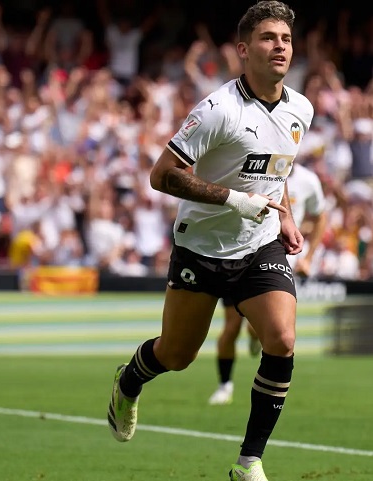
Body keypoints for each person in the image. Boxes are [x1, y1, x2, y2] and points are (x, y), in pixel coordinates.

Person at [106, 2, 313, 480]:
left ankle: (249, 462)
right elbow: (161, 175)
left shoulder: (301, 108)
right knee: (176, 355)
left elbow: (276, 168)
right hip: (201, 248)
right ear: (243, 49)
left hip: (260, 244)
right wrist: (235, 199)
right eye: (267, 37)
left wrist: (285, 216)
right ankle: (129, 380)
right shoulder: (218, 109)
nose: (279, 46)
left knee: (281, 339)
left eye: (285, 38)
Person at [209, 161, 326, 405]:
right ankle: (224, 385)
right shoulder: (257, 165)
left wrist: (309, 258)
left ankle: (254, 338)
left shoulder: (308, 180)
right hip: (239, 253)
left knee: (264, 329)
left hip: (277, 258)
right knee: (231, 327)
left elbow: (320, 216)